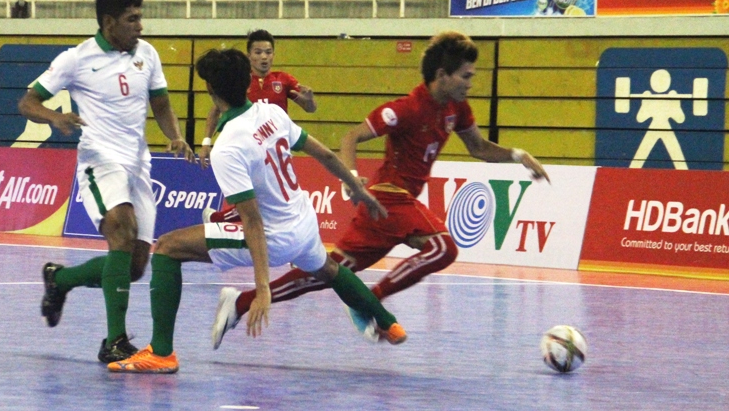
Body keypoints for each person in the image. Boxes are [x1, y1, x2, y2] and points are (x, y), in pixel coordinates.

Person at [220, 31, 551, 342]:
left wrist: (519, 155)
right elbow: (351, 136)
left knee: (327, 272)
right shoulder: (406, 109)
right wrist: (352, 178)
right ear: (442, 74)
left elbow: (478, 147)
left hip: (387, 211)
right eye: (465, 76)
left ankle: (240, 302)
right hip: (390, 197)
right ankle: (371, 302)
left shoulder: (457, 108)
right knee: (443, 248)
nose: (470, 83)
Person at [107, 48, 406, 374]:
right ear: (248, 82)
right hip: (304, 222)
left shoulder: (228, 147)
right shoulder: (272, 113)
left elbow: (252, 220)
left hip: (275, 237)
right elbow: (326, 155)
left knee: (167, 247)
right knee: (329, 270)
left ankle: (161, 353)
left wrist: (262, 289)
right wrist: (356, 188)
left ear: (210, 90)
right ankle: (388, 322)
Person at [17, 0, 195, 364]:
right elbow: (28, 102)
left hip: (138, 164)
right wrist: (54, 117)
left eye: (140, 17)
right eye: (132, 19)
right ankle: (114, 341)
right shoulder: (76, 58)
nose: (140, 26)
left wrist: (175, 136)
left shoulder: (147, 54)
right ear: (109, 22)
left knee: (134, 267)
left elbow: (161, 105)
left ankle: (60, 280)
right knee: (121, 229)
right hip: (99, 160)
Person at [199, 29, 317, 223]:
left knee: (268, 197)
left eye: (268, 52)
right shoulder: (239, 81)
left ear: (273, 55)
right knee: (256, 198)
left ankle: (218, 218)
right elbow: (215, 110)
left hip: (275, 147)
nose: (264, 57)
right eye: (258, 52)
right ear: (249, 56)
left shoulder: (283, 80)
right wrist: (206, 142)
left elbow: (309, 108)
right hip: (248, 149)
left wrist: (310, 100)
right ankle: (221, 219)